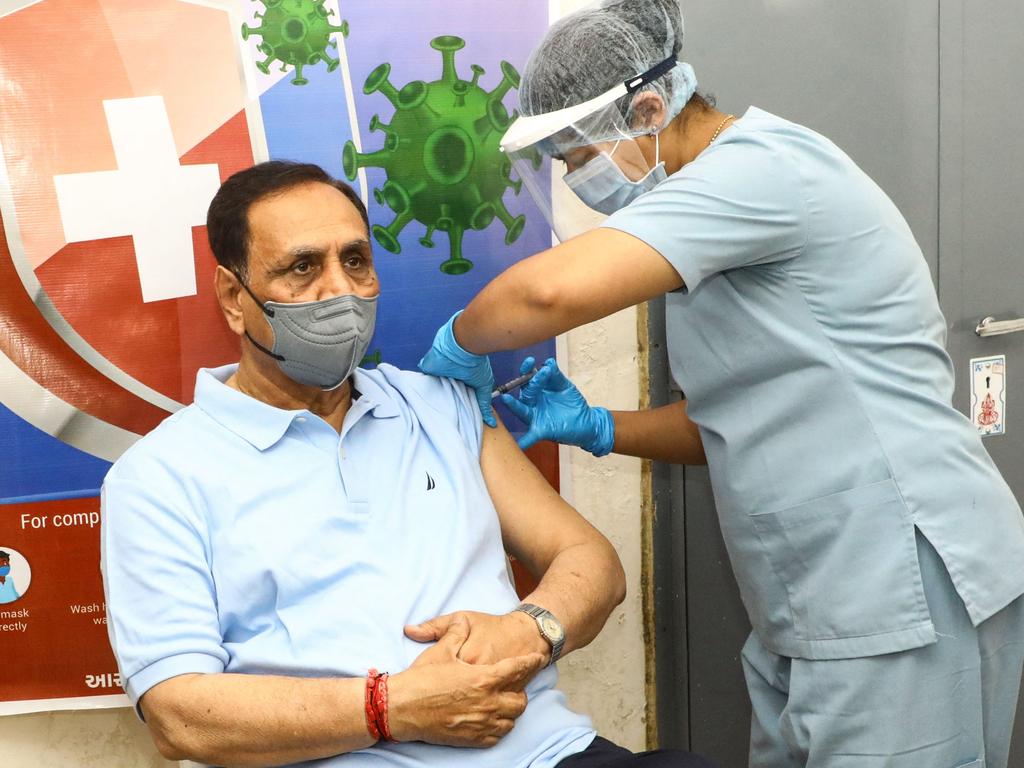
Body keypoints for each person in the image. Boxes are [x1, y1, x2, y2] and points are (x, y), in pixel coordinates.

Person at [416, 1, 1024, 767]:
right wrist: (599, 425)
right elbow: (739, 422)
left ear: (648, 109)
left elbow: (542, 297)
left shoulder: (763, 171)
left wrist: (456, 341)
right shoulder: (705, 214)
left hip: (899, 580)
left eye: (579, 159)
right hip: (807, 601)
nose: (577, 181)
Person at [99, 160, 715, 768]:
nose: (339, 290)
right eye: (303, 267)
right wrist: (388, 708)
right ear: (235, 298)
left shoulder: (438, 405)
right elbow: (179, 716)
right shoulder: (158, 477)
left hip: (544, 755)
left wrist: (529, 630)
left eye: (355, 261)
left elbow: (591, 563)